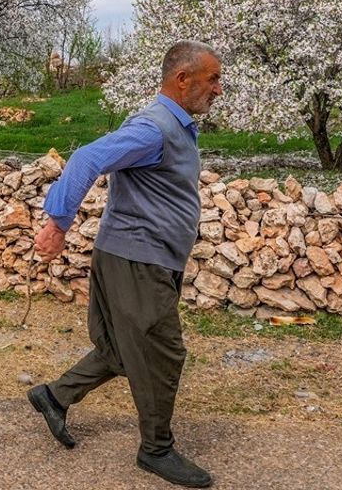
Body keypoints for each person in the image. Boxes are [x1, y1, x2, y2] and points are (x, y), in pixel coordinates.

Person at [26, 40, 223, 488]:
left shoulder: (175, 127)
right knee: (162, 353)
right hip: (138, 261)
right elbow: (88, 158)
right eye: (212, 78)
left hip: (138, 258)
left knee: (120, 348)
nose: (219, 88)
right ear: (182, 79)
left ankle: (55, 397)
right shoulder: (154, 127)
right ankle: (156, 449)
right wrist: (57, 224)